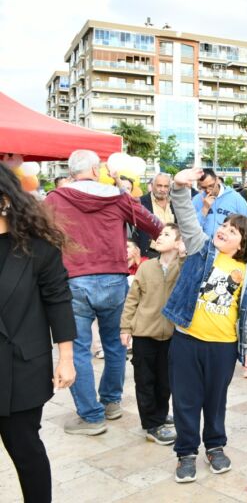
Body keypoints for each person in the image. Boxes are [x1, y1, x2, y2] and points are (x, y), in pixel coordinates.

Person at [45, 149, 163, 436]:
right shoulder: (117, 197)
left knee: (78, 349)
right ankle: (111, 402)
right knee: (115, 344)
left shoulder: (55, 199)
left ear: (71, 171)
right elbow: (154, 225)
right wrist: (124, 191)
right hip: (113, 279)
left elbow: (37, 232)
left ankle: (90, 415)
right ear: (97, 171)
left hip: (73, 280)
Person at [163, 167, 247, 483]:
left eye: (232, 230)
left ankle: (215, 446)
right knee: (185, 400)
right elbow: (186, 218)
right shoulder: (201, 248)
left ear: (243, 242)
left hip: (223, 347)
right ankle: (186, 453)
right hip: (187, 340)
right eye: (223, 225)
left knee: (215, 401)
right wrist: (180, 187)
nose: (223, 231)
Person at [0, 164, 76, 503]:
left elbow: (58, 301)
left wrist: (66, 358)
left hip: (21, 368)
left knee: (25, 448)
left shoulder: (39, 248)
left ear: (4, 200)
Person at [119, 223, 183, 446]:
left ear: (178, 242)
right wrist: (125, 328)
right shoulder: (146, 267)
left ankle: (160, 414)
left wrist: (183, 255)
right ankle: (151, 425)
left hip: (171, 334)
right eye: (160, 233)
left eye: (167, 234)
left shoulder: (181, 267)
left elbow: (190, 275)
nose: (160, 236)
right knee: (145, 381)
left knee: (165, 382)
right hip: (144, 333)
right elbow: (132, 299)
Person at [192, 168, 247, 238]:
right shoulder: (197, 199)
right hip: (203, 243)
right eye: (203, 187)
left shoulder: (235, 197)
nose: (208, 190)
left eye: (211, 186)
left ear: (217, 180)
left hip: (228, 243)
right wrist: (204, 209)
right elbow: (191, 227)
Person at [135, 173, 177, 258]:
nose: (162, 189)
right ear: (152, 185)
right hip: (150, 253)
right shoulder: (141, 202)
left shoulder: (175, 203)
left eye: (166, 186)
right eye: (159, 186)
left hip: (172, 254)